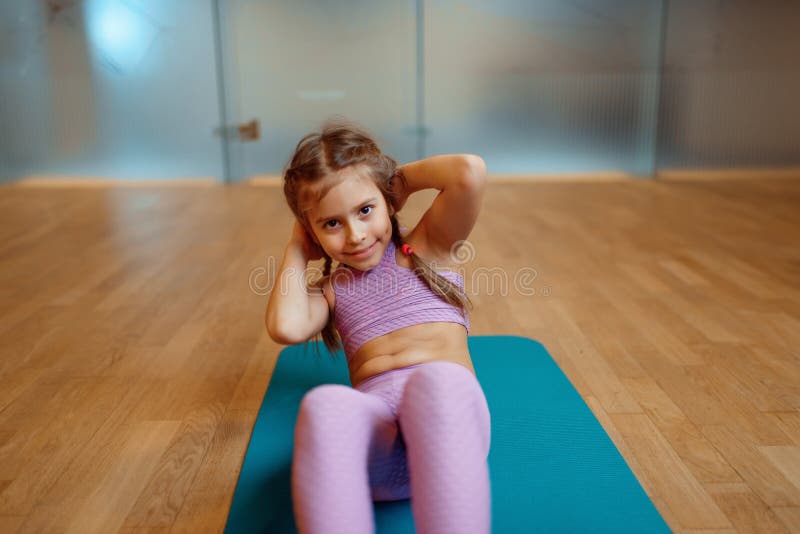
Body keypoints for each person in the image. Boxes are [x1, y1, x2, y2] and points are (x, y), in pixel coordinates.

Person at [265, 117, 491, 534]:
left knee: (438, 382)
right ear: (312, 231)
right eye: (331, 223)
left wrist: (393, 183)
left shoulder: (429, 249)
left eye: (365, 210)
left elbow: (468, 171)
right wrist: (296, 249)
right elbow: (287, 327)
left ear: (387, 202)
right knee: (323, 403)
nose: (354, 234)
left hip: (450, 435)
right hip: (382, 458)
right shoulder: (333, 290)